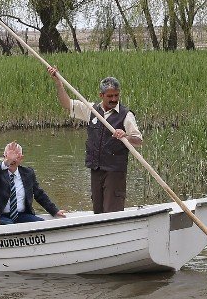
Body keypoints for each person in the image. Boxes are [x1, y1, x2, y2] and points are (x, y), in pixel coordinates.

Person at [48, 68, 143, 214]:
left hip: (114, 172)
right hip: (96, 169)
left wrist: (125, 136)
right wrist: (59, 83)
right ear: (101, 95)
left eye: (116, 95)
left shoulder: (126, 115)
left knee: (112, 212)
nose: (113, 99)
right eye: (110, 96)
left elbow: (138, 140)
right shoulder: (91, 110)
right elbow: (67, 104)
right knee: (97, 211)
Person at [0, 141, 66, 224]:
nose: (12, 160)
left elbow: (39, 194)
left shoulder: (28, 173)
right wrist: (7, 161)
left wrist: (54, 210)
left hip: (22, 215)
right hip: (0, 215)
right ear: (4, 157)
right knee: (10, 225)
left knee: (41, 223)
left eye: (16, 157)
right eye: (9, 157)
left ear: (21, 158)